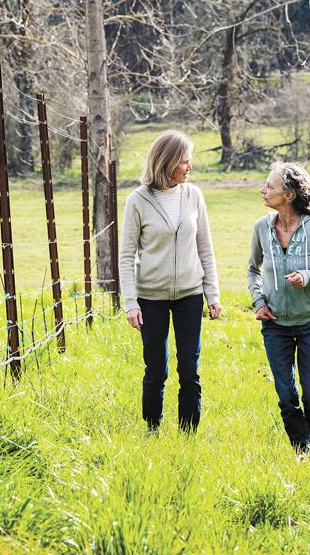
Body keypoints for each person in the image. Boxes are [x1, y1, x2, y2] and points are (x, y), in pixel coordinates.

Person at [119, 130, 221, 432]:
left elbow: (205, 247)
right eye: (184, 162)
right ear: (166, 163)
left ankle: (188, 433)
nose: (189, 168)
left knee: (189, 368)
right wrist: (130, 304)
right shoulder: (137, 201)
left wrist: (212, 295)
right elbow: (126, 257)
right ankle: (153, 428)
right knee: (156, 369)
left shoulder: (194, 195)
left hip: (190, 295)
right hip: (151, 298)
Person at [247, 162, 310, 461]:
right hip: (275, 325)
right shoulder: (262, 228)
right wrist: (259, 303)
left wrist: (308, 277)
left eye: (270, 186)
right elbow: (252, 270)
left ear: (288, 195)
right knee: (287, 395)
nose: (264, 190)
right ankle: (303, 450)